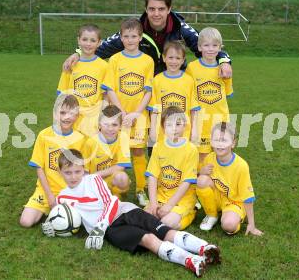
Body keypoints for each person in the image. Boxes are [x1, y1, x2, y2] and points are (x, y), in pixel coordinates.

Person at [42, 148, 221, 277]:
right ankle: (191, 260)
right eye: (68, 172)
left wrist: (99, 226)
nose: (73, 176)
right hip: (112, 230)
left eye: (77, 171)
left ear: (84, 169)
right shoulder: (62, 198)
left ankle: (205, 248)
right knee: (148, 240)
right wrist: (51, 226)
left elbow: (110, 202)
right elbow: (64, 218)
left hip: (124, 211)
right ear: (60, 172)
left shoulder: (93, 180)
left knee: (163, 230)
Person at [62, 0, 232, 78]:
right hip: (144, 82)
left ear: (169, 9)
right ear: (146, 9)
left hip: (174, 78)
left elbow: (206, 45)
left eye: (161, 9)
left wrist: (224, 61)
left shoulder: (181, 28)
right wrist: (78, 53)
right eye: (152, 9)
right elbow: (103, 46)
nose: (156, 14)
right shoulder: (135, 29)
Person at [19, 94, 96, 228]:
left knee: (86, 221)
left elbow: (84, 172)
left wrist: (82, 195)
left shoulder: (81, 139)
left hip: (71, 191)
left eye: (72, 113)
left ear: (77, 116)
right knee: (25, 222)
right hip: (46, 190)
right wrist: (49, 196)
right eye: (62, 112)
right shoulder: (44, 135)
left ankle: (58, 212)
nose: (67, 117)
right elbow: (39, 168)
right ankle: (51, 210)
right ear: (55, 113)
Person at [101, 18, 154, 206]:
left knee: (138, 151)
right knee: (115, 151)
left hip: (139, 116)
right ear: (121, 38)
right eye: (126, 36)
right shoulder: (115, 60)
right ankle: (117, 189)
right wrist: (122, 113)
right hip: (117, 116)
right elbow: (110, 89)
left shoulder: (147, 61)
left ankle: (140, 189)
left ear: (140, 37)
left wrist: (137, 113)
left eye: (134, 36)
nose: (130, 40)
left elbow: (148, 91)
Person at [196, 122, 264, 236]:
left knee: (228, 225)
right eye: (216, 140)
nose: (219, 144)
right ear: (211, 142)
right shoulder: (209, 158)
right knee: (201, 180)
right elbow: (197, 180)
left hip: (234, 201)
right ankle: (212, 215)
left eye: (224, 140)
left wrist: (251, 224)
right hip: (218, 197)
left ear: (233, 143)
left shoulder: (241, 166)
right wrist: (201, 172)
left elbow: (247, 197)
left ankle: (236, 216)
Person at [185, 27, 233, 167]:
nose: (210, 49)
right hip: (201, 122)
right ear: (199, 47)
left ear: (220, 47)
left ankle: (220, 181)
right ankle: (203, 183)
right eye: (206, 45)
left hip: (221, 119)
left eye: (214, 45)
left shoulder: (224, 69)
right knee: (203, 157)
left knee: (223, 153)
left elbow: (227, 94)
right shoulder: (192, 68)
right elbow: (189, 95)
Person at [145, 106, 199, 230]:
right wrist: (153, 203)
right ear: (163, 128)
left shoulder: (191, 149)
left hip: (182, 199)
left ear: (184, 125)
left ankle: (191, 212)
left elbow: (187, 182)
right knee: (146, 219)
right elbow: (152, 176)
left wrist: (169, 206)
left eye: (178, 124)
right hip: (161, 196)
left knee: (167, 223)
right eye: (169, 125)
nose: (174, 128)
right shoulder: (158, 146)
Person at [57, 24, 108, 137]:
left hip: (94, 116)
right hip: (73, 115)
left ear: (99, 42)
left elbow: (106, 95)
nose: (88, 44)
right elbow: (62, 94)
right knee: (74, 150)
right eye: (84, 39)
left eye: (93, 40)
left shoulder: (104, 66)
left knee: (92, 149)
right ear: (78, 40)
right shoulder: (70, 64)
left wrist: (103, 115)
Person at [148, 41, 200, 144]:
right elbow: (154, 109)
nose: (174, 61)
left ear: (183, 60)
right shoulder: (157, 80)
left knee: (182, 159)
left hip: (184, 132)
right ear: (164, 58)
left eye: (178, 58)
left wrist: (194, 130)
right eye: (170, 58)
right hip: (162, 132)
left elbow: (193, 109)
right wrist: (152, 129)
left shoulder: (189, 81)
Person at [89, 105, 131, 199]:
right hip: (93, 180)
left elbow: (121, 166)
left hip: (108, 177)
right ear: (99, 125)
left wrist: (96, 175)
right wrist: (89, 180)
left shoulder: (123, 137)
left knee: (122, 178)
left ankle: (116, 193)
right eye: (106, 124)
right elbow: (84, 169)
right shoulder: (91, 142)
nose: (110, 128)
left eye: (114, 124)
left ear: (120, 126)